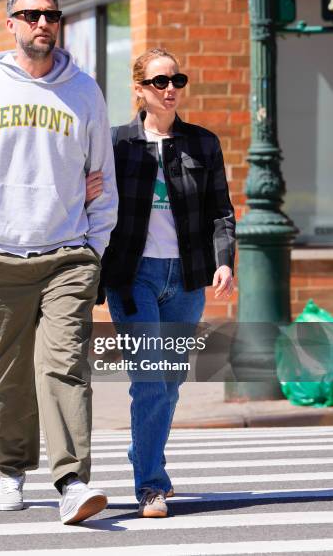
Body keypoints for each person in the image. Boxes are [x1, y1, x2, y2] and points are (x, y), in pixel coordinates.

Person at [0, 0, 118, 524]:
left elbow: (102, 178)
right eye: (31, 15)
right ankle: (11, 470)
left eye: (51, 15)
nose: (42, 23)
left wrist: (94, 245)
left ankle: (71, 483)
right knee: (8, 372)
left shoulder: (84, 91)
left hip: (68, 254)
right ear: (11, 24)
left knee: (64, 367)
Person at [90, 47, 235, 518]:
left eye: (176, 80)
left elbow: (221, 211)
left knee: (170, 382)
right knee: (149, 380)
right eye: (159, 81)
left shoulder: (202, 144)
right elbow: (91, 205)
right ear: (139, 89)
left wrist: (224, 262)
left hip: (188, 277)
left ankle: (142, 451)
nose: (169, 88)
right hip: (134, 279)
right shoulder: (117, 145)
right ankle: (151, 484)